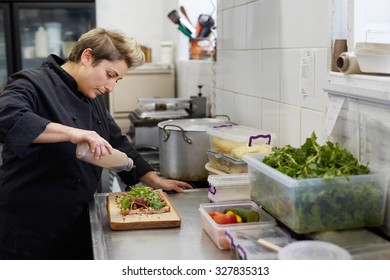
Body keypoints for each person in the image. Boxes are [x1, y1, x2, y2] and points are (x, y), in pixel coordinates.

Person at [0, 28, 192, 260]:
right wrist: (74, 134)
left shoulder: (92, 95)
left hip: (75, 223)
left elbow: (116, 139)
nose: (111, 87)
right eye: (109, 75)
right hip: (29, 231)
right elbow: (8, 116)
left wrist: (154, 180)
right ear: (87, 57)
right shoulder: (32, 82)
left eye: (117, 80)